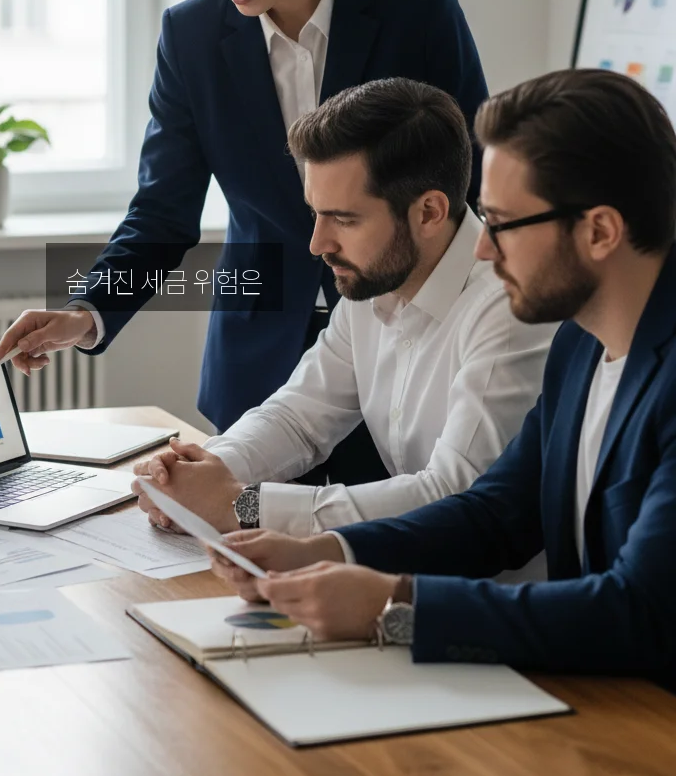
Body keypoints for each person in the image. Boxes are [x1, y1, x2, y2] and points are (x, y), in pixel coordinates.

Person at [0, 0, 487, 488]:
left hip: (404, 347)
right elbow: (162, 211)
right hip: (261, 367)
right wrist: (86, 311)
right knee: (238, 536)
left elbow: (471, 181)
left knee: (377, 532)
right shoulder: (192, 36)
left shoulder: (416, 8)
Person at [212, 69, 676, 688]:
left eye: (503, 223)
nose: (483, 247)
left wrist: (395, 607)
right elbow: (495, 513)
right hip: (590, 690)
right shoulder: (580, 345)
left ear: (599, 231)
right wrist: (326, 552)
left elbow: (641, 612)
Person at [130, 78, 555, 543]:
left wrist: (241, 506)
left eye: (344, 219)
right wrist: (201, 471)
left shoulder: (509, 309)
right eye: (316, 213)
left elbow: (453, 496)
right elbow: (299, 418)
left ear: (429, 212)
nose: (318, 244)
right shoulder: (376, 281)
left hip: (481, 583)